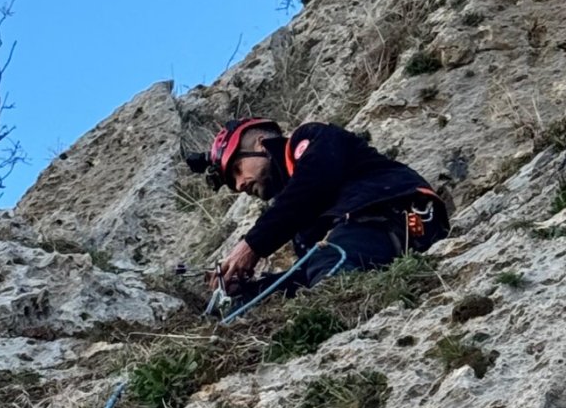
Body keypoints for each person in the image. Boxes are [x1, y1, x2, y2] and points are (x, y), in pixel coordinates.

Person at [184, 118, 449, 299]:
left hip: (396, 212)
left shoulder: (311, 139)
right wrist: (250, 290)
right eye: (232, 183)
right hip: (370, 236)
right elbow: (309, 271)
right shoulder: (300, 215)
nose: (240, 184)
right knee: (289, 284)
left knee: (329, 264)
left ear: (260, 143)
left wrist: (250, 246)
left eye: (237, 169)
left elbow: (313, 184)